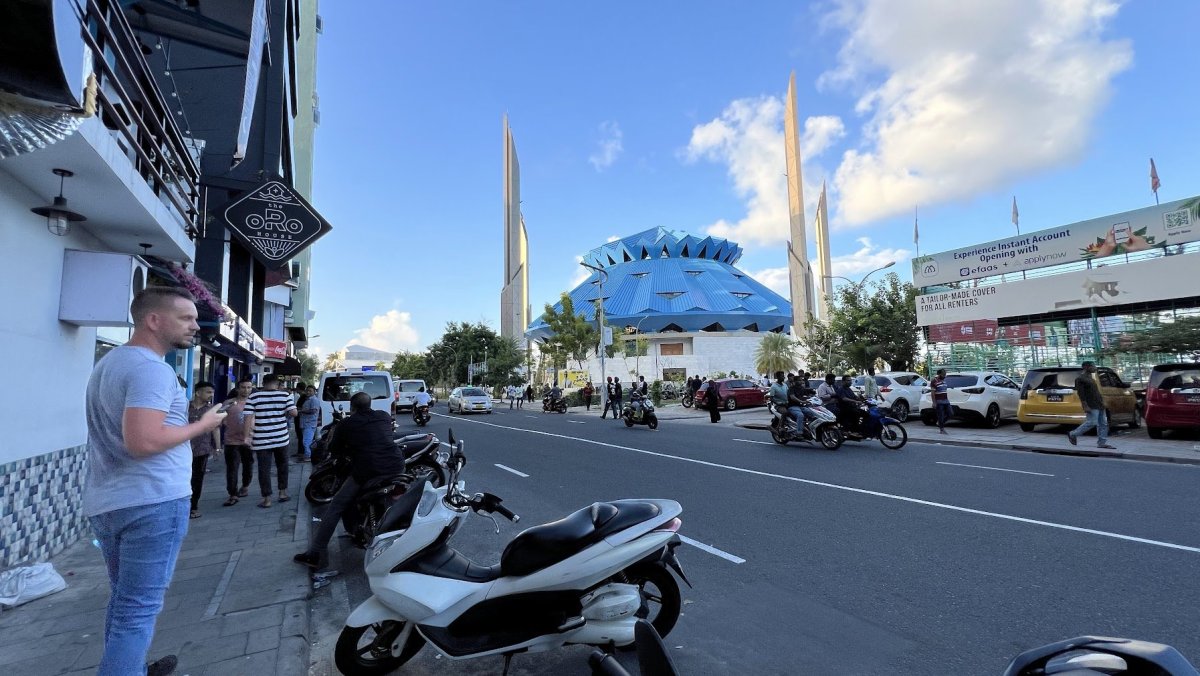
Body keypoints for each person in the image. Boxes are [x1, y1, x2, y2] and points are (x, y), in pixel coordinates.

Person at [84, 286, 228, 676]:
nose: (196, 326)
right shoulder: (151, 370)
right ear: (153, 320)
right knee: (138, 608)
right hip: (151, 502)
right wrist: (203, 424)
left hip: (112, 500)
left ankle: (127, 666)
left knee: (126, 601)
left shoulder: (111, 363)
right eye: (187, 318)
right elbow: (143, 441)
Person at [294, 392, 408, 569]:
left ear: (351, 407)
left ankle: (315, 554)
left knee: (335, 506)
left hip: (369, 471)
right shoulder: (383, 416)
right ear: (370, 404)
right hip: (397, 465)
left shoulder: (346, 424)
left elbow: (334, 449)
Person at [245, 374, 297, 507]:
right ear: (277, 383)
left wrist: (246, 437)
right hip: (281, 438)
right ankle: (282, 493)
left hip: (261, 440)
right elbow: (293, 413)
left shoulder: (254, 396)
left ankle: (267, 499)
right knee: (282, 466)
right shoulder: (284, 395)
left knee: (264, 469)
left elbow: (248, 418)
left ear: (263, 383)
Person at [187, 381, 220, 519]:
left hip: (202, 449)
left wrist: (217, 447)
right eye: (208, 392)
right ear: (198, 392)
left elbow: (215, 429)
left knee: (197, 478)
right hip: (183, 448)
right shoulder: (185, 407)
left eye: (212, 392)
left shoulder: (210, 410)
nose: (210, 395)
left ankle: (193, 506)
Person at [1067, 361, 1115, 449]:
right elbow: (1081, 394)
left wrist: (1102, 402)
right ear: (1086, 367)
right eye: (1093, 366)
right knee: (1092, 422)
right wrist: (1085, 405)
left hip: (1099, 404)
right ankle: (1073, 434)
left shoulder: (1091, 378)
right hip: (1091, 404)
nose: (1095, 368)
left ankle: (1102, 443)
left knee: (1103, 424)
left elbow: (1095, 392)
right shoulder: (1080, 379)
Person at [222, 377, 254, 506]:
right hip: (231, 441)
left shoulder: (254, 403)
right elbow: (219, 416)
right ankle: (232, 494)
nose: (246, 390)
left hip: (249, 441)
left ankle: (245, 486)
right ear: (237, 388)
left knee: (248, 466)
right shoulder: (229, 402)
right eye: (243, 387)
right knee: (232, 468)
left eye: (249, 387)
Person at [297, 384, 320, 462]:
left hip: (310, 423)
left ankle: (308, 457)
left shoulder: (314, 400)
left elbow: (313, 411)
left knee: (306, 441)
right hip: (305, 423)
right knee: (306, 440)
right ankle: (307, 455)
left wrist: (301, 411)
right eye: (307, 390)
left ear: (314, 392)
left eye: (310, 391)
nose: (308, 392)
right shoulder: (308, 399)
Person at [932, 369, 952, 435]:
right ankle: (942, 429)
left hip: (946, 401)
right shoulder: (934, 381)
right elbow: (933, 393)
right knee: (941, 415)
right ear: (939, 374)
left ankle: (939, 423)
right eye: (943, 374)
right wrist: (934, 402)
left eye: (945, 374)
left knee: (950, 413)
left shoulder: (944, 381)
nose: (945, 376)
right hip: (939, 401)